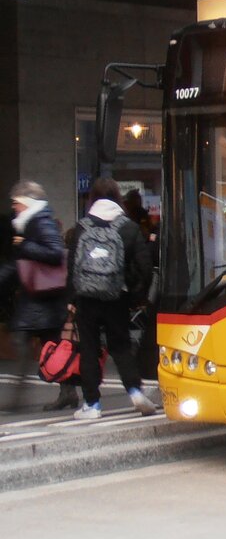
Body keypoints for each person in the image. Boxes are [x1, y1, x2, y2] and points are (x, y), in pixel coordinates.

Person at [67, 176, 155, 420]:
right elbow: (144, 266)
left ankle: (92, 405)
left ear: (92, 198)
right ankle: (136, 391)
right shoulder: (128, 227)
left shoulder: (82, 226)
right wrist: (138, 296)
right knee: (121, 345)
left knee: (89, 348)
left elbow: (72, 265)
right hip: (117, 296)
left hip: (86, 297)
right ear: (118, 198)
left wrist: (72, 298)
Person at [0, 180, 77, 412]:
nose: (14, 207)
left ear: (26, 203)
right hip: (40, 297)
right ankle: (68, 392)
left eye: (16, 203)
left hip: (41, 297)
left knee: (28, 342)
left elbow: (54, 252)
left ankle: (19, 398)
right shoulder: (31, 222)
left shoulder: (39, 222)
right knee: (50, 346)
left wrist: (25, 245)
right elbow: (21, 264)